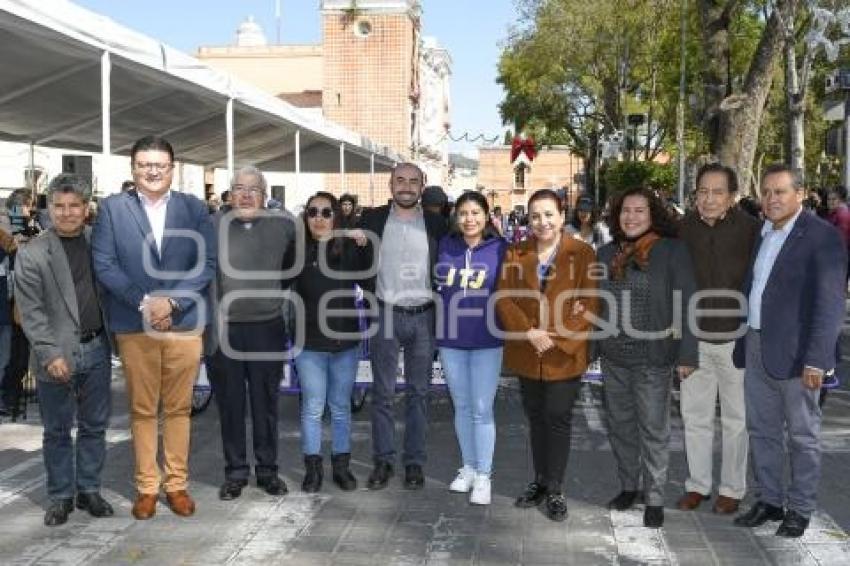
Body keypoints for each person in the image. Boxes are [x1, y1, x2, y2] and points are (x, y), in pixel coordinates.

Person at [92, 135, 216, 520]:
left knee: (178, 409)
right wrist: (147, 303)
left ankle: (176, 484)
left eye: (159, 164)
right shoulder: (113, 209)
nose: (152, 171)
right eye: (145, 164)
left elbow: (207, 263)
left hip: (183, 324)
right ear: (133, 168)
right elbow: (105, 263)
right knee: (143, 409)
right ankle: (147, 487)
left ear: (172, 169)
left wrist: (172, 303)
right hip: (135, 322)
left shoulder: (194, 208)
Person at [732, 164, 846, 538]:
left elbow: (829, 305)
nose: (771, 199)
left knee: (802, 435)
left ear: (800, 193)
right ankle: (769, 499)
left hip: (800, 356)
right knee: (761, 429)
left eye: (780, 191)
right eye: (766, 191)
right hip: (756, 343)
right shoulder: (763, 231)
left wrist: (818, 360)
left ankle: (800, 508)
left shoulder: (821, 237)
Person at [14, 174, 113, 526]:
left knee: (94, 427)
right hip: (54, 354)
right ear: (48, 208)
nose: (67, 213)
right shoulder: (32, 253)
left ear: (86, 209)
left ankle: (88, 489)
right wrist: (49, 353)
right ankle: (60, 496)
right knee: (57, 431)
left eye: (74, 206)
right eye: (59, 206)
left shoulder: (99, 243)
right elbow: (31, 311)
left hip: (98, 349)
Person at [596, 186, 697, 528]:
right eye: (626, 210)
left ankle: (654, 497)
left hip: (654, 357)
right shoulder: (606, 253)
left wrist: (687, 354)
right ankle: (629, 486)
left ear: (653, 214)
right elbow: (595, 304)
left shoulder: (672, 251)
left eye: (640, 210)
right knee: (621, 427)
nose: (632, 216)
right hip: (613, 357)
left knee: (654, 429)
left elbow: (687, 303)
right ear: (616, 215)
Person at [496, 188, 597, 522]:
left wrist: (551, 337)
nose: (542, 222)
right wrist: (528, 332)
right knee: (536, 418)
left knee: (558, 418)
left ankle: (555, 488)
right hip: (527, 351)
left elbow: (588, 304)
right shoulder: (516, 251)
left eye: (549, 214)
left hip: (563, 354)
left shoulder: (581, 253)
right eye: (535, 215)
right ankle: (539, 480)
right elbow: (504, 298)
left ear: (562, 214)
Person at [353, 162, 449, 490]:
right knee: (382, 394)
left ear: (423, 186)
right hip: (385, 315)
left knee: (419, 394)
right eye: (400, 181)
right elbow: (351, 262)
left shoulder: (438, 224)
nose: (406, 186)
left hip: (424, 317)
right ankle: (383, 462)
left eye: (413, 181)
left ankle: (414, 463)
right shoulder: (370, 221)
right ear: (390, 185)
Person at [207, 166, 295, 501]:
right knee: (230, 406)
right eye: (239, 188)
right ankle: (235, 472)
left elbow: (297, 260)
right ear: (229, 194)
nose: (245, 195)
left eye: (253, 189)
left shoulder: (283, 226)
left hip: (266, 328)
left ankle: (268, 471)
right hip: (225, 330)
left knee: (265, 404)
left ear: (265, 195)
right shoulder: (212, 226)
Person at [677, 163, 760, 515]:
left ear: (732, 197)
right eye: (702, 191)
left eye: (717, 192)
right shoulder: (681, 231)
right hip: (695, 341)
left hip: (736, 341)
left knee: (735, 419)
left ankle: (731, 488)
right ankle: (698, 486)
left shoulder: (754, 230)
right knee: (694, 417)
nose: (709, 199)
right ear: (694, 193)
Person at [291, 191, 370, 493]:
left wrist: (358, 237)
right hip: (308, 344)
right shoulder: (297, 250)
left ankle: (341, 466)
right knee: (312, 407)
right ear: (306, 216)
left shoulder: (348, 249)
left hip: (345, 344)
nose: (319, 218)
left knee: (340, 407)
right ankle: (312, 469)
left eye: (327, 213)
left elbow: (369, 275)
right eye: (313, 212)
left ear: (336, 215)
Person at [435, 191, 508, 505]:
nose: (469, 219)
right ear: (456, 216)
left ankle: (484, 476)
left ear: (487, 216)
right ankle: (467, 467)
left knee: (482, 410)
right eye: (463, 213)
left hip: (487, 340)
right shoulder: (446, 246)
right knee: (462, 407)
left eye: (476, 213)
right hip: (451, 340)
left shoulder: (501, 249)